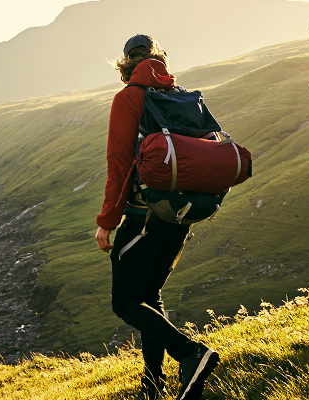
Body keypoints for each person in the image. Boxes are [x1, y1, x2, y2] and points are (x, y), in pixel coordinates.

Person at [93, 34, 219, 400]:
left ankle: (190, 354)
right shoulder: (181, 96)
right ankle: (152, 384)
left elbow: (118, 163)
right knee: (150, 293)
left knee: (126, 301)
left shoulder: (128, 98)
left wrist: (107, 221)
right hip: (180, 214)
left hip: (142, 214)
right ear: (159, 59)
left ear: (126, 64)